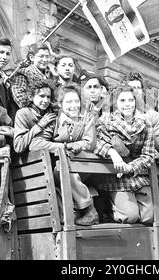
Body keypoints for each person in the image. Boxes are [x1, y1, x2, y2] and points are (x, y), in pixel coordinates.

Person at [14, 83, 99, 225]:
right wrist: (63, 146)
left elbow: (90, 143)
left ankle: (89, 209)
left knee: (64, 169)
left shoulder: (86, 118)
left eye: (76, 101)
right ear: (61, 104)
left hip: (84, 164)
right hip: (55, 166)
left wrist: (74, 146)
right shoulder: (53, 119)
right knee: (60, 171)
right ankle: (78, 211)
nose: (74, 105)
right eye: (69, 102)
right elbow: (34, 143)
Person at [94, 85, 155, 224]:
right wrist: (112, 152)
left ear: (135, 101)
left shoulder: (146, 123)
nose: (127, 104)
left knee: (148, 218)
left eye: (130, 100)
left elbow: (149, 155)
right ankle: (108, 210)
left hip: (137, 176)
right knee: (130, 217)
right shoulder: (106, 120)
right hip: (115, 177)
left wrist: (131, 167)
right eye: (122, 101)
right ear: (115, 103)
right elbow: (96, 143)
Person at [10, 42, 56, 109]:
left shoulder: (50, 75)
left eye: (47, 56)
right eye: (41, 56)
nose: (45, 60)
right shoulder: (24, 73)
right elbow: (20, 98)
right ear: (32, 57)